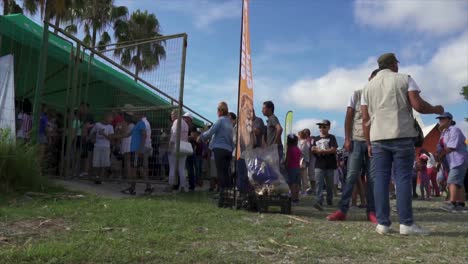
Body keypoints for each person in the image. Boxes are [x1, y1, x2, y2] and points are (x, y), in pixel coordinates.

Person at [361, 53, 444, 235]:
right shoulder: (405, 79)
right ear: (392, 64)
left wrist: (368, 142)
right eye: (396, 63)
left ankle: (383, 223)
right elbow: (418, 106)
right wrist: (436, 109)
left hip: (377, 136)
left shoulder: (367, 87)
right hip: (401, 134)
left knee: (381, 180)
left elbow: (365, 118)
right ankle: (406, 223)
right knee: (403, 178)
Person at [327, 69, 379, 223]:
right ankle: (342, 210)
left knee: (372, 178)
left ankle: (372, 211)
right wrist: (348, 138)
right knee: (351, 176)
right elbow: (348, 117)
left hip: (375, 142)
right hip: (356, 141)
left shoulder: (380, 98)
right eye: (374, 79)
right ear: (369, 78)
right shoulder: (357, 94)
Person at [198, 102, 234, 207]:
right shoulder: (230, 123)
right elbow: (231, 139)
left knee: (221, 174)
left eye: (218, 109)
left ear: (221, 111)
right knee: (226, 175)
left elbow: (210, 132)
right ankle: (228, 198)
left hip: (220, 149)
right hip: (228, 150)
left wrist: (201, 137)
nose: (217, 112)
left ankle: (223, 200)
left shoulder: (220, 121)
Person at [436, 112, 467, 212]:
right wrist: (439, 153)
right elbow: (439, 147)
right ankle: (461, 203)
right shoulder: (444, 133)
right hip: (451, 161)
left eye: (443, 119)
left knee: (452, 180)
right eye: (439, 119)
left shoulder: (455, 130)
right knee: (458, 182)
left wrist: (441, 154)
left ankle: (452, 203)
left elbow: (451, 147)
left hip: (458, 159)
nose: (440, 121)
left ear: (449, 120)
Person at [311, 119, 338, 211]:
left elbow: (334, 149)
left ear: (328, 127)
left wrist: (322, 151)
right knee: (319, 183)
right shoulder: (316, 138)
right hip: (319, 164)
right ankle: (319, 200)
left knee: (329, 185)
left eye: (324, 126)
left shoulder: (332, 137)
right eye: (320, 126)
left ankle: (329, 199)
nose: (321, 128)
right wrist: (313, 150)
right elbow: (313, 150)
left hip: (330, 164)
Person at [89, 113, 114, 184]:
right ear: (106, 117)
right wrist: (92, 139)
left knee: (104, 163)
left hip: (106, 147)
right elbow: (92, 133)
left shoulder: (110, 127)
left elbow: (111, 138)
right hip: (97, 146)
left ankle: (101, 178)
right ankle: (96, 177)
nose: (111, 120)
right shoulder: (97, 125)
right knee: (96, 163)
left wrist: (103, 134)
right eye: (110, 118)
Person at [183, 112, 198, 190]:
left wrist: (184, 137)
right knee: (188, 167)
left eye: (185, 117)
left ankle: (192, 185)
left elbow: (194, 137)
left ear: (189, 118)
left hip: (190, 149)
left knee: (190, 168)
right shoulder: (186, 126)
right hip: (186, 148)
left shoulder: (192, 126)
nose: (184, 118)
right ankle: (190, 184)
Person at [286, 134, 302, 203]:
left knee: (291, 184)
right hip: (298, 168)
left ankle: (292, 198)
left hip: (291, 168)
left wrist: (285, 165)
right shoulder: (297, 149)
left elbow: (288, 159)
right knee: (297, 183)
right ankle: (296, 198)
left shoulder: (289, 149)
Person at [298, 130, 310, 195]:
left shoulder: (305, 143)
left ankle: (304, 191)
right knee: (302, 177)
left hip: (303, 161)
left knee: (303, 177)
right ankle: (302, 190)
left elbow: (302, 151)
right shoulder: (301, 142)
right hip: (301, 161)